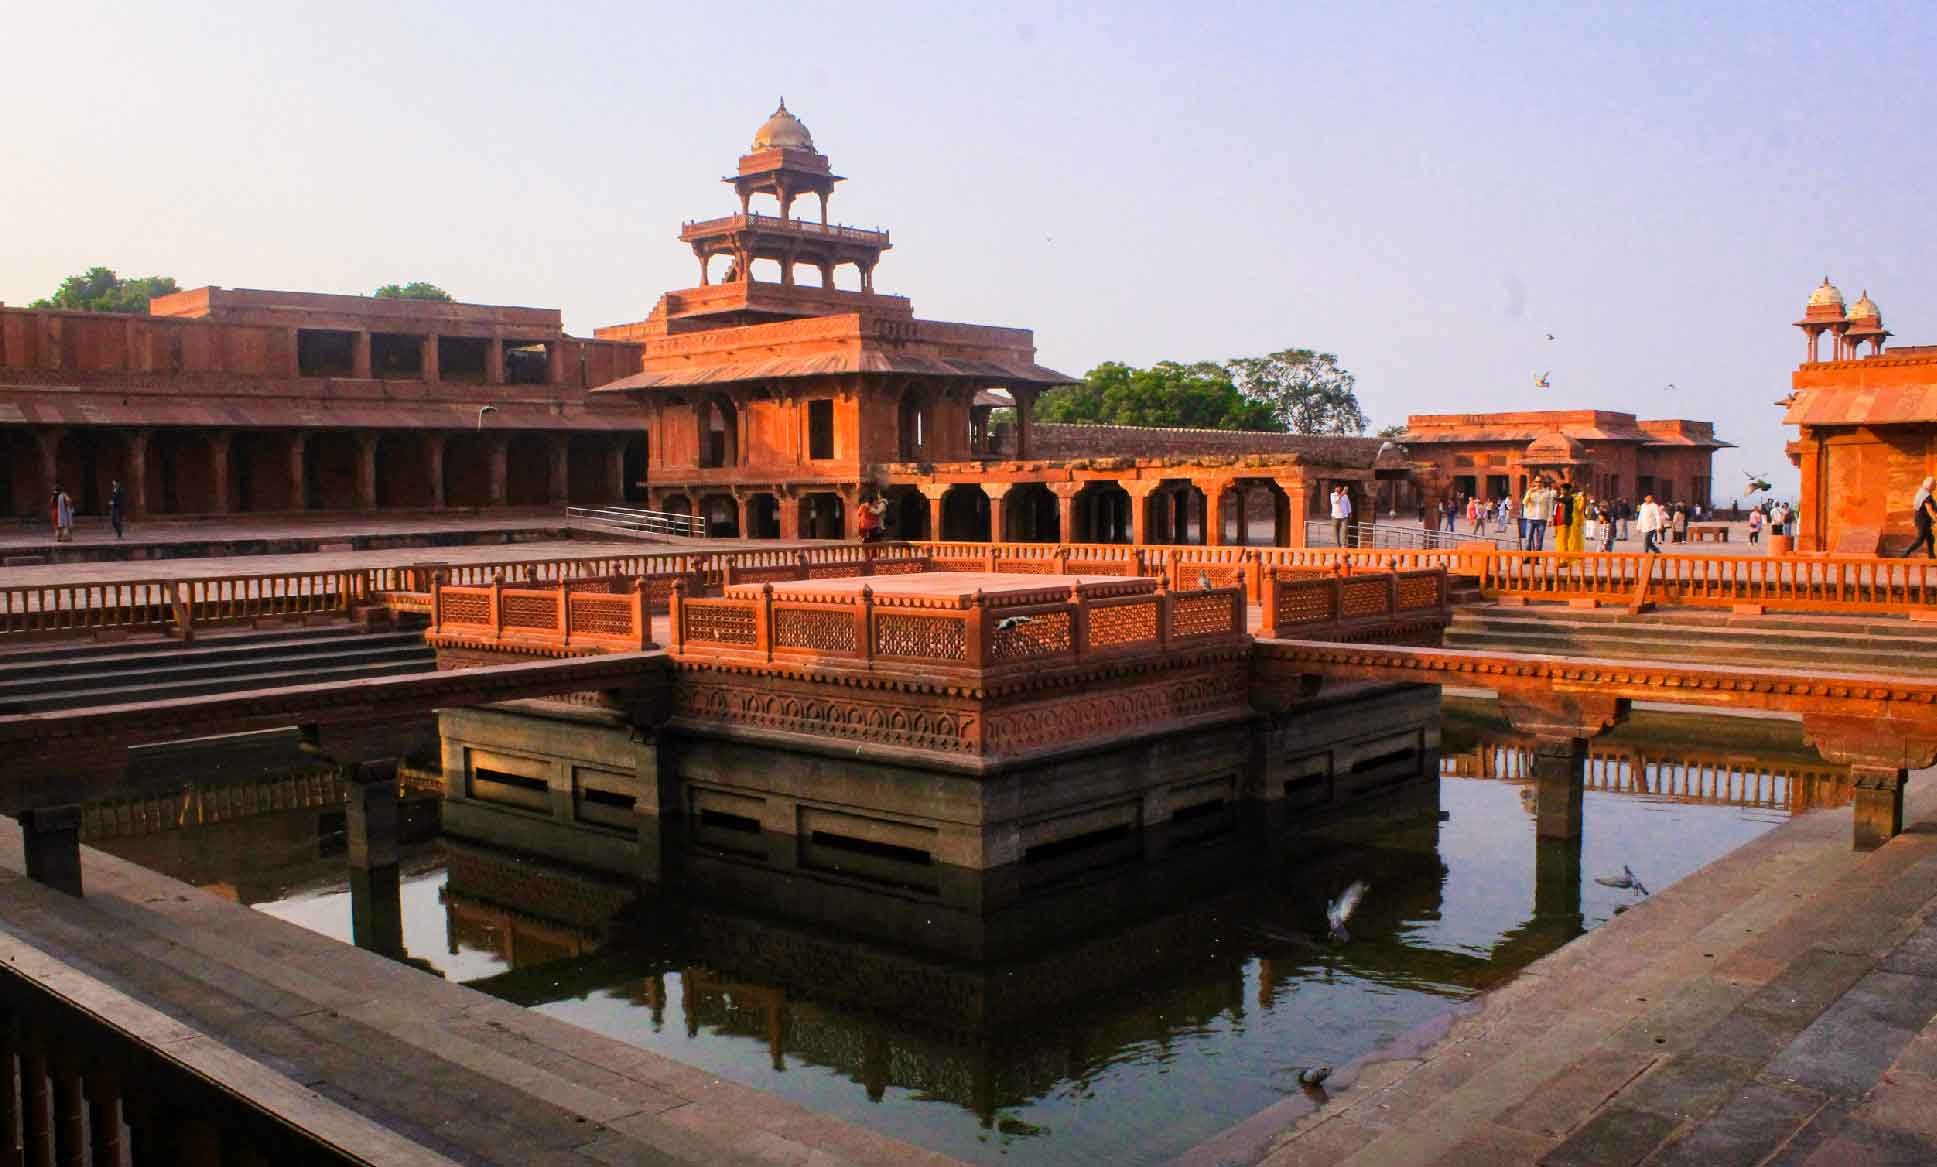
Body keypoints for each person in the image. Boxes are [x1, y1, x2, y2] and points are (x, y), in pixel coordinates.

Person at [1904, 478, 1937, 558]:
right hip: (1924, 521)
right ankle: (1905, 554)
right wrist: (1935, 519)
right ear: (1930, 486)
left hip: (1920, 519)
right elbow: (1929, 510)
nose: (1935, 487)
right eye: (1935, 485)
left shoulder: (1921, 492)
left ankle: (1932, 558)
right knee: (1920, 540)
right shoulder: (1927, 496)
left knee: (1930, 539)